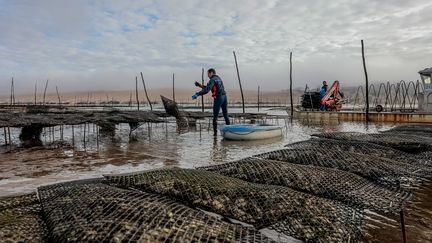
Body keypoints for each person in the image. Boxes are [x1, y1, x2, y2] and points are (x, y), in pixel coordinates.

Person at [192, 68, 230, 136]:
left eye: (208, 74)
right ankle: (230, 131)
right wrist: (200, 85)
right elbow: (209, 87)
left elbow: (207, 90)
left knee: (215, 117)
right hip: (224, 97)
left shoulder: (212, 80)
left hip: (219, 98)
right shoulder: (218, 78)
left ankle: (215, 135)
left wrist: (197, 94)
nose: (208, 76)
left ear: (211, 73)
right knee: (225, 115)